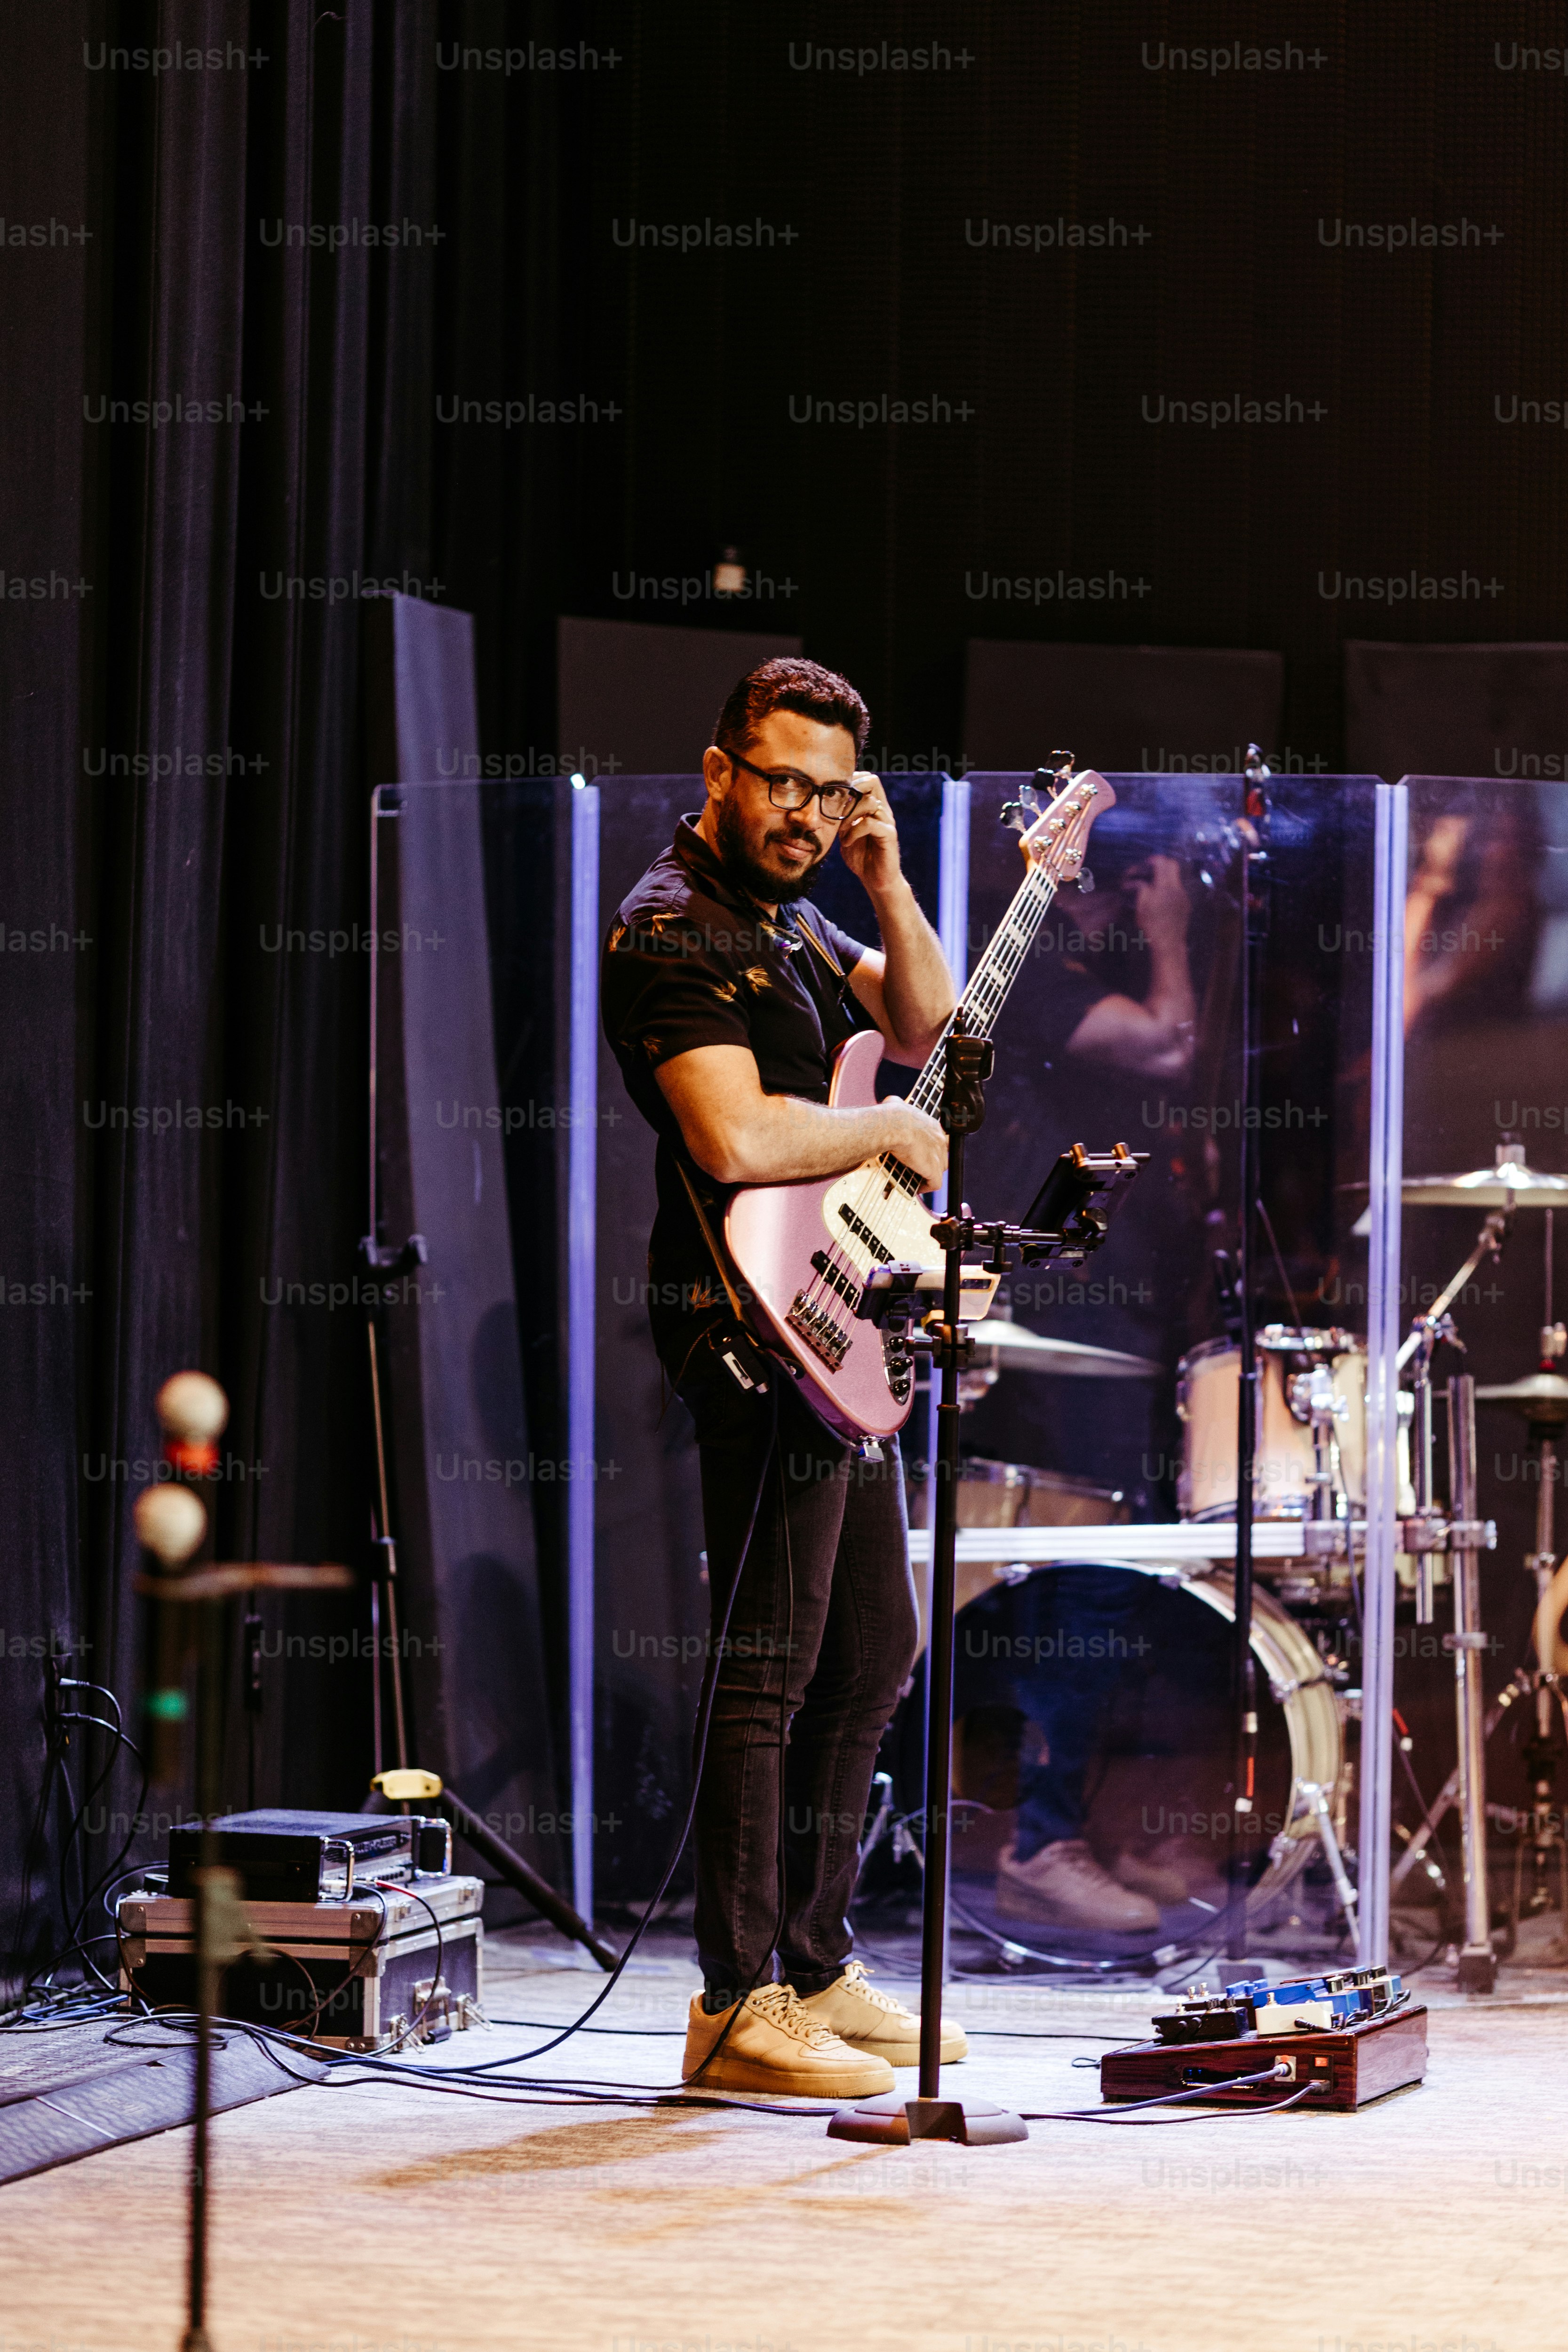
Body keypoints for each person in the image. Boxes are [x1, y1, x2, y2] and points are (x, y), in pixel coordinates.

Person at [602, 657, 968, 2096]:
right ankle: (734, 2003)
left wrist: (886, 879)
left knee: (872, 1649)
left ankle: (812, 1965)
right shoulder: (668, 930)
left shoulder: (794, 917)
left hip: (833, 1324)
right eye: (782, 782)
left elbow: (935, 1033)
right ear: (719, 771)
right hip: (743, 1332)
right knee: (769, 1669)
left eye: (829, 791)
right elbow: (738, 1141)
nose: (804, 811)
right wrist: (880, 1135)